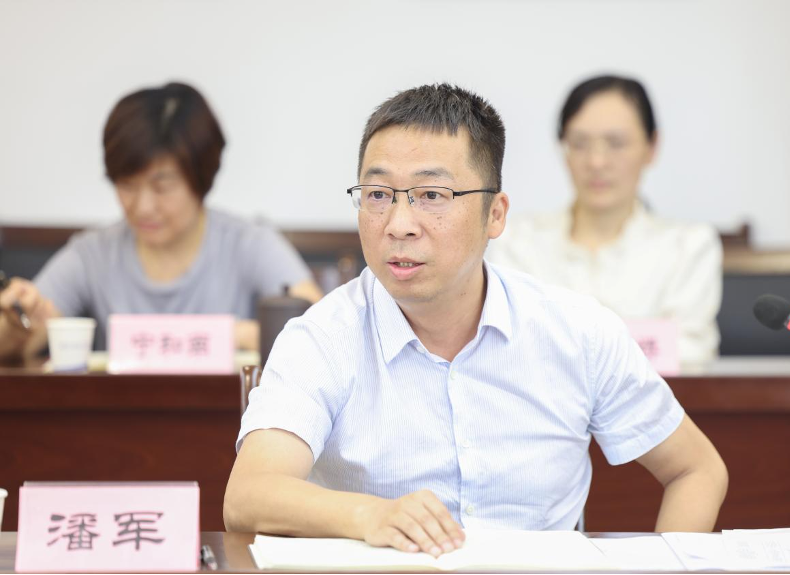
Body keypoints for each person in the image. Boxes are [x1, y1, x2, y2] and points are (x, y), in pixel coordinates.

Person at [224, 83, 728, 555]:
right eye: (378, 195)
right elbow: (247, 496)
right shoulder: (322, 337)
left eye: (432, 196)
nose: (399, 225)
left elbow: (696, 470)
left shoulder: (577, 333)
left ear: (495, 215)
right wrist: (368, 516)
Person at [0, 82, 322, 361]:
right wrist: (16, 324)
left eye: (162, 186)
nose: (143, 207)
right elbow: (25, 340)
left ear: (201, 180)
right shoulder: (93, 253)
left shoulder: (248, 243)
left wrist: (243, 335)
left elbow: (322, 331)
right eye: (127, 185)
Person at [487, 75, 722, 367]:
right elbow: (510, 347)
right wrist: (638, 340)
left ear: (652, 147)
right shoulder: (516, 242)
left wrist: (566, 344)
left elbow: (690, 350)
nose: (596, 162)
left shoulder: (688, 247)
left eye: (616, 143)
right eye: (579, 143)